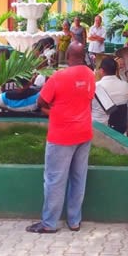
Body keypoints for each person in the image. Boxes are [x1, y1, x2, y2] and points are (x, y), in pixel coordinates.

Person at [26, 42, 95, 233]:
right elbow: (87, 98)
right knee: (78, 178)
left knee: (55, 179)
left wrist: (55, 110)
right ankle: (74, 221)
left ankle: (49, 223)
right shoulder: (90, 74)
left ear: (68, 55)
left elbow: (41, 101)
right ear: (83, 55)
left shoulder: (58, 77)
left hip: (62, 134)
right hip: (84, 133)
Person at [91, 57, 128, 125]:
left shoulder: (95, 87)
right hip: (120, 129)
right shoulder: (125, 85)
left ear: (101, 70)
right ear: (116, 71)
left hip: (99, 127)